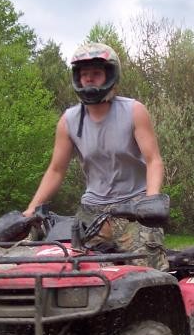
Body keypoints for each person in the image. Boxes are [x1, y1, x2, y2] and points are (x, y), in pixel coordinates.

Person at [23, 42, 168, 270]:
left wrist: (151, 202)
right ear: (77, 78)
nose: (89, 79)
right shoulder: (69, 120)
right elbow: (56, 170)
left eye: (96, 73)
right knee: (65, 268)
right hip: (92, 211)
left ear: (110, 75)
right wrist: (31, 210)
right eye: (84, 74)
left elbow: (154, 160)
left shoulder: (133, 111)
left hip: (133, 209)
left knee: (149, 271)